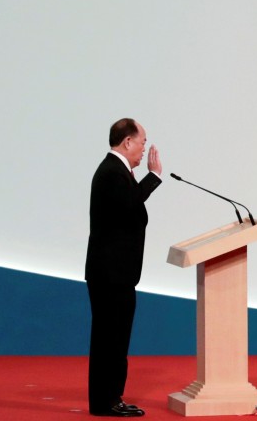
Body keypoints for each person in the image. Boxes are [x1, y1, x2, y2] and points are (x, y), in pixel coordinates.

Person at [84, 119, 162, 417]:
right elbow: (129, 205)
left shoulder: (118, 171)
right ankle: (106, 402)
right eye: (142, 142)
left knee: (115, 338)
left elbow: (128, 209)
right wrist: (153, 177)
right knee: (109, 339)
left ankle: (110, 398)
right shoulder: (111, 172)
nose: (144, 149)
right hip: (110, 273)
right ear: (127, 142)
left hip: (117, 273)